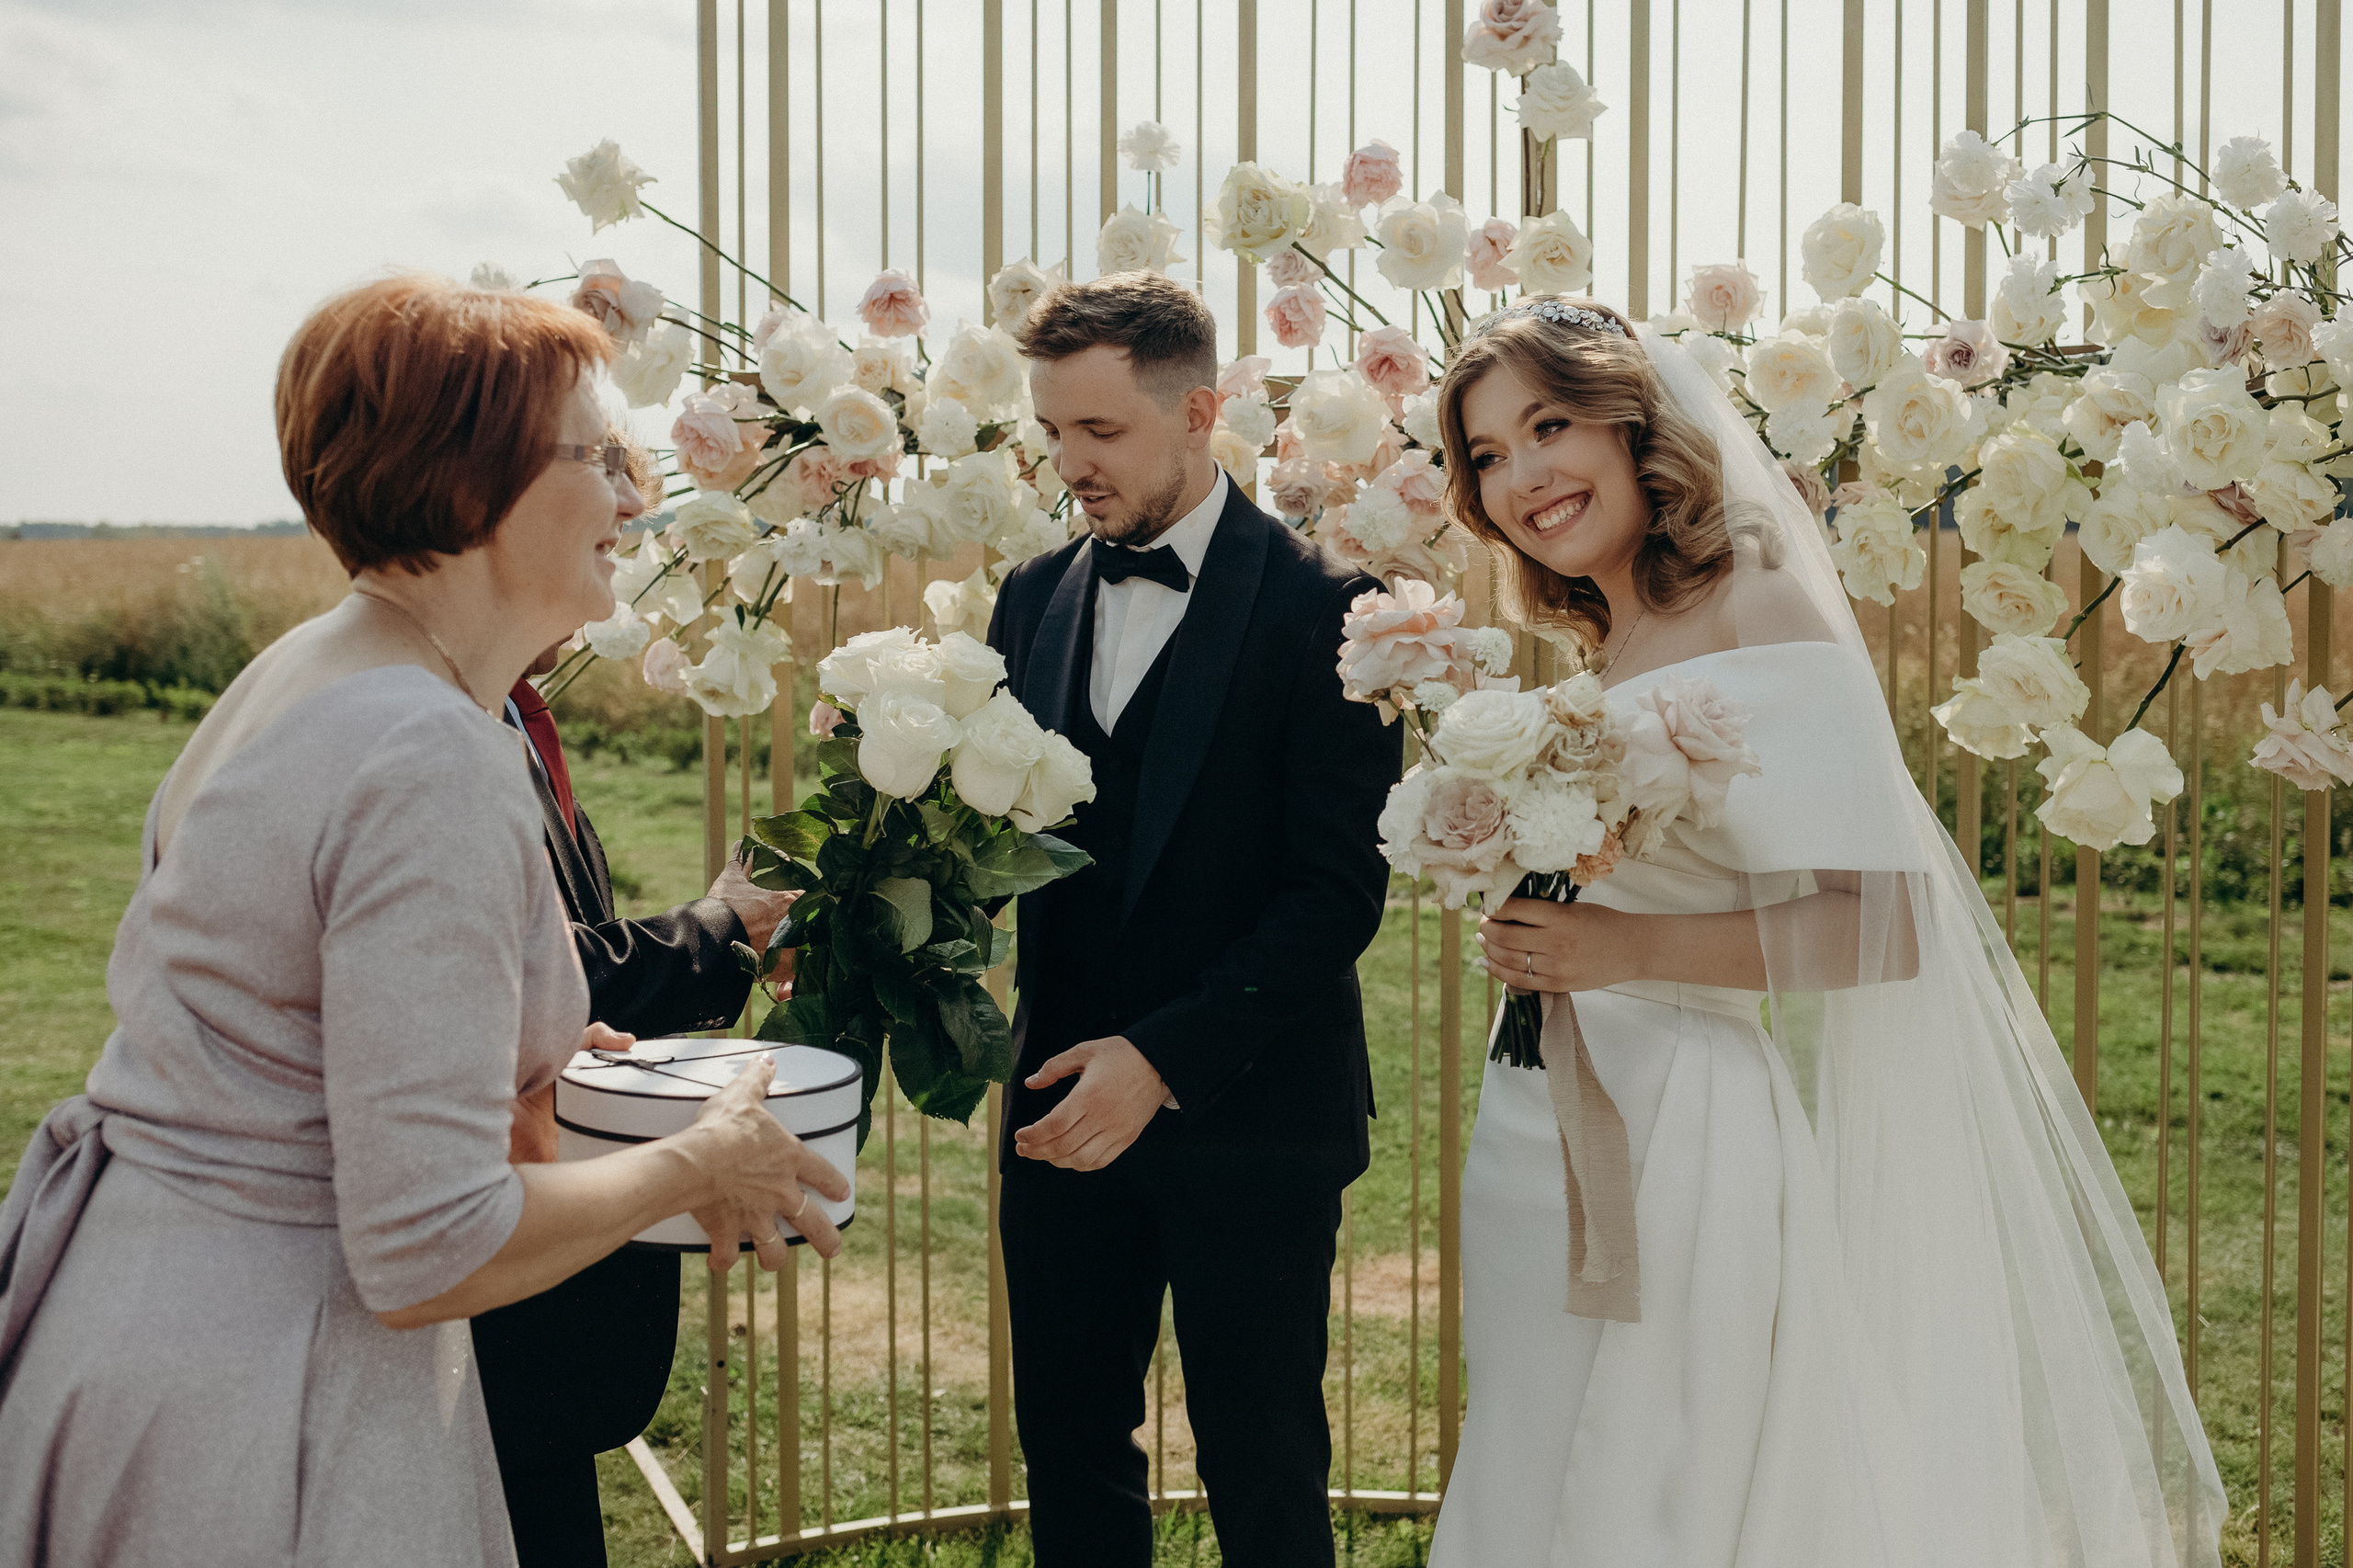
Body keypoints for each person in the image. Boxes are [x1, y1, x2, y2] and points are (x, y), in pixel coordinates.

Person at [0, 274, 848, 1568]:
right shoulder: (431, 751)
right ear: (467, 491)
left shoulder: (307, 667)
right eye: (601, 456)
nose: (637, 499)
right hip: (266, 1399)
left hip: (147, 1323)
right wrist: (700, 1162)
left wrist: (534, 1051)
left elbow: (280, 1014)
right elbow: (425, 1245)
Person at [1424, 296, 2222, 1567]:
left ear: (1636, 425)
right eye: (1486, 456)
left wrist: (1620, 954)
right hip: (1543, 1117)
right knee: (1537, 1445)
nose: (1521, 476)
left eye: (1548, 426)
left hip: (1675, 1118)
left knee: (1651, 1472)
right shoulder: (1612, 632)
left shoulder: (1761, 609)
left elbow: (1886, 922)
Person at [983, 270, 1398, 1566]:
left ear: (1201, 409)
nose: (1070, 463)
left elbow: (1336, 893)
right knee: (1068, 1444)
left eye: (1099, 431)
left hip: (1253, 1111)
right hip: (1054, 1110)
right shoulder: (1030, 596)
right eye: (1053, 430)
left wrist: (1160, 1061)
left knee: (1264, 1457)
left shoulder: (1333, 612)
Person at [474, 441, 806, 1568]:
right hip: (484, 1275)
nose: (635, 509)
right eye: (595, 467)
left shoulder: (512, 709)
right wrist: (720, 928)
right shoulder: (439, 724)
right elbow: (530, 971)